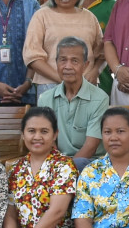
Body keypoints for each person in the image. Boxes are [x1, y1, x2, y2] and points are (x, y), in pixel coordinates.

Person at [41, 37, 108, 166]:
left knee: (81, 162)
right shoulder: (46, 98)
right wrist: (59, 167)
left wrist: (67, 170)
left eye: (75, 61)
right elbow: (48, 142)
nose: (68, 66)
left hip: (90, 163)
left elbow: (91, 146)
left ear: (85, 65)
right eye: (63, 60)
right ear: (56, 63)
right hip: (57, 163)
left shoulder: (100, 98)